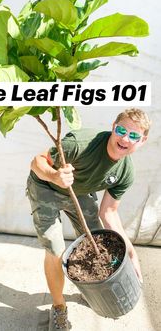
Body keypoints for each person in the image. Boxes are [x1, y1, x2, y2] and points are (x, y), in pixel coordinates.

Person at [26, 108, 151, 331]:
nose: (124, 138)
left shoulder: (125, 172)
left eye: (133, 135)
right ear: (113, 127)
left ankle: (92, 289)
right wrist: (55, 175)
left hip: (78, 191)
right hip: (45, 186)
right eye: (121, 130)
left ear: (142, 140)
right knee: (55, 249)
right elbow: (37, 162)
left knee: (98, 241)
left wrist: (131, 252)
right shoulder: (81, 144)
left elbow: (109, 213)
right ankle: (59, 307)